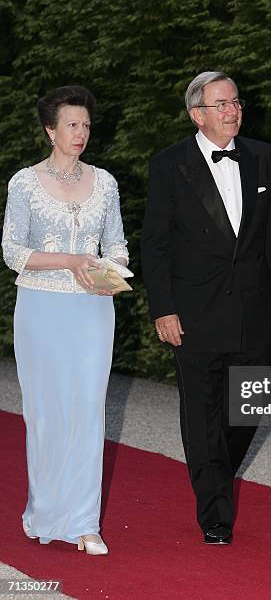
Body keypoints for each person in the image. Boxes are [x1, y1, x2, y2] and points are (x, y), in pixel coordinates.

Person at [141, 71, 271, 544]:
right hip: (194, 312)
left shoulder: (261, 156)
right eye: (222, 104)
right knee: (202, 414)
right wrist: (163, 308)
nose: (233, 111)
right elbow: (156, 243)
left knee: (250, 404)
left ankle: (216, 470)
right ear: (197, 114)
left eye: (235, 102)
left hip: (253, 308)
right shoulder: (169, 164)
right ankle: (215, 514)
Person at [2, 85, 129, 555]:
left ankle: (83, 520)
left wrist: (106, 272)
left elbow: (116, 244)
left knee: (88, 410)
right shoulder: (24, 183)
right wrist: (72, 259)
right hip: (40, 308)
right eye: (72, 125)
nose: (81, 133)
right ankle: (43, 511)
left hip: (94, 308)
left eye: (87, 125)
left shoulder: (106, 182)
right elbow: (13, 252)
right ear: (50, 130)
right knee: (46, 413)